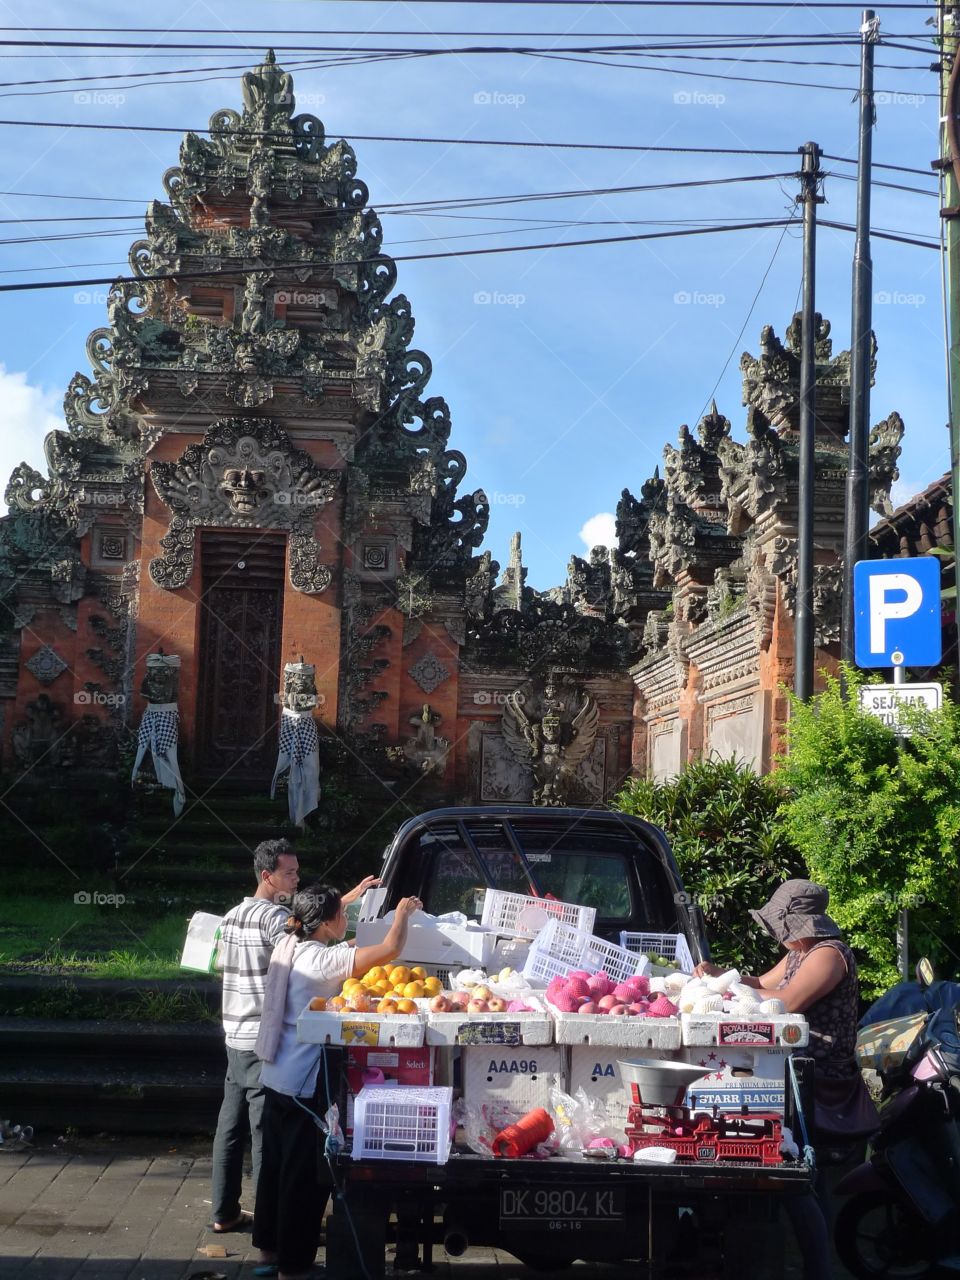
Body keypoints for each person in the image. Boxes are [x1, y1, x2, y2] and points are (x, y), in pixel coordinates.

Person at [694, 879, 868, 1280]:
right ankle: (815, 1266)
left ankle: (819, 1269)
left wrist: (734, 996)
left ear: (797, 925)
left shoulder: (828, 956)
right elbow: (761, 983)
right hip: (793, 1075)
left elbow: (784, 1004)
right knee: (799, 1174)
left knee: (796, 1176)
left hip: (818, 1079)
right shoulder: (798, 955)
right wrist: (720, 976)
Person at [252, 885, 422, 1280]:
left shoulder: (289, 941)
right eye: (342, 915)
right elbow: (389, 951)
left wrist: (348, 897)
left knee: (274, 1169)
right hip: (301, 1084)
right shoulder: (323, 960)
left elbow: (319, 912)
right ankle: (293, 1266)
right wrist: (402, 913)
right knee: (303, 1180)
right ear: (328, 923)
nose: (346, 920)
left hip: (274, 1073)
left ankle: (268, 1250)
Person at [210, 840, 377, 1235]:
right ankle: (277, 1225)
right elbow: (307, 938)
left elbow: (217, 963)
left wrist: (342, 901)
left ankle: (224, 1210)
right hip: (261, 1037)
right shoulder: (273, 919)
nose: (297, 879)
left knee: (229, 1126)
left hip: (232, 1030)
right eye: (290, 873)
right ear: (267, 877)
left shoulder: (232, 915)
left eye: (298, 872)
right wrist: (345, 918)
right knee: (268, 1135)